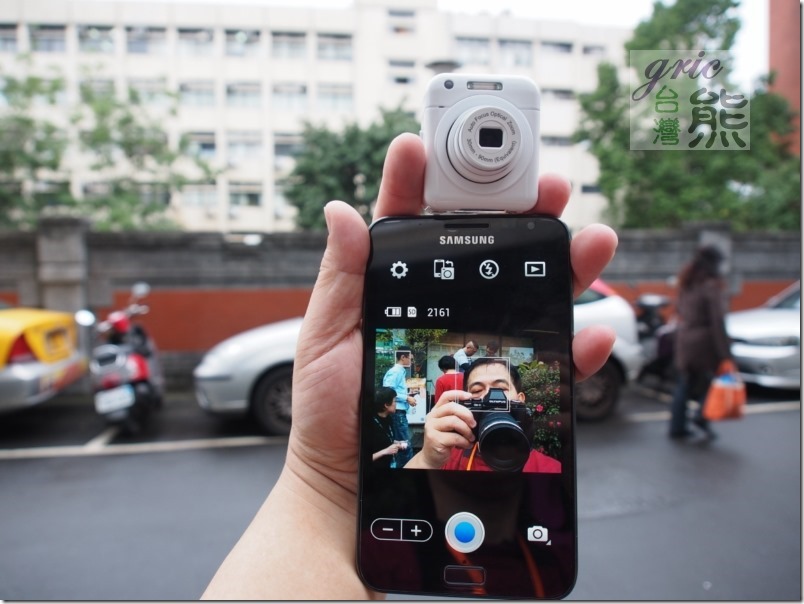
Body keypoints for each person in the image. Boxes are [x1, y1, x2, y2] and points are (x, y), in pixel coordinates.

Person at [201, 132, 619, 600]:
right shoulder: (448, 449)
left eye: (500, 390)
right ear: (456, 401)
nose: (490, 401)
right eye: (476, 394)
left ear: (522, 400)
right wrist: (330, 481)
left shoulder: (545, 466)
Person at [405, 357, 561, 473]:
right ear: (465, 403)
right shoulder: (447, 458)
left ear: (520, 400)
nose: (490, 397)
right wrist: (427, 460)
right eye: (477, 391)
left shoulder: (549, 468)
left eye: (501, 388)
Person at [668, 245, 733, 440]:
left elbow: (680, 309)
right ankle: (702, 417)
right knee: (713, 382)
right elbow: (717, 321)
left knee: (685, 384)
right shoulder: (711, 285)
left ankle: (677, 426)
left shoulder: (687, 281)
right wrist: (726, 354)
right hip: (704, 343)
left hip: (685, 339)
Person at [382, 348, 416, 465]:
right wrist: (406, 398)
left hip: (399, 411)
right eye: (410, 358)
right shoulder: (396, 371)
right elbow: (388, 390)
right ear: (403, 357)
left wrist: (407, 395)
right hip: (397, 412)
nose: (411, 361)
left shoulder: (399, 371)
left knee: (401, 443)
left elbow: (393, 390)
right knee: (403, 443)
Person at [365, 387, 402, 469]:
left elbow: (384, 439)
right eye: (395, 401)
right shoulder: (369, 424)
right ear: (386, 405)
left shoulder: (389, 418)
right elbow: (363, 459)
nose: (396, 404)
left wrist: (397, 443)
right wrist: (385, 451)